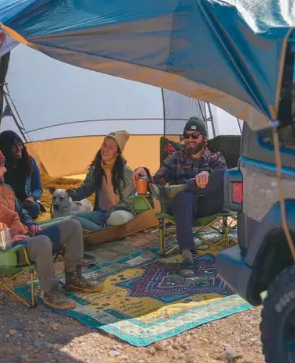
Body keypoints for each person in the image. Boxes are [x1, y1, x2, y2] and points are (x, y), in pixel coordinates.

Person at [0, 147, 102, 309]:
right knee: (42, 241)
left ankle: (74, 278)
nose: (5, 169)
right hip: (8, 249)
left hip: (27, 237)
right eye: (1, 167)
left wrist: (31, 225)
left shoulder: (5, 189)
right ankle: (51, 292)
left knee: (73, 225)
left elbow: (23, 214)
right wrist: (6, 241)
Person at [133, 117, 227, 274]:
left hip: (208, 205)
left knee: (223, 174)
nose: (190, 139)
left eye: (195, 136)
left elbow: (224, 177)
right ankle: (187, 256)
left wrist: (207, 173)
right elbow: (157, 181)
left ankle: (185, 187)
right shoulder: (175, 157)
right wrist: (143, 171)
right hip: (183, 207)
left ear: (204, 138)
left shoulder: (215, 157)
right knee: (183, 197)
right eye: (186, 135)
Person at [67, 131, 137, 231]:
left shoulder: (126, 173)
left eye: (111, 147)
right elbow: (87, 188)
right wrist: (68, 195)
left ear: (117, 153)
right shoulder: (96, 168)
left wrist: (108, 215)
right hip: (101, 213)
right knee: (70, 217)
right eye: (104, 145)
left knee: (116, 218)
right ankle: (102, 230)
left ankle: (102, 229)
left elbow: (128, 202)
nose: (105, 150)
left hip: (121, 212)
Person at [0, 130, 45, 219]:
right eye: (14, 147)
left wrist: (32, 197)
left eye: (20, 144)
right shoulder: (0, 166)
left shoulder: (29, 161)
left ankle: (15, 218)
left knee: (35, 208)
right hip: (7, 204)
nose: (19, 148)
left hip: (25, 204)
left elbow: (38, 188)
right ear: (6, 149)